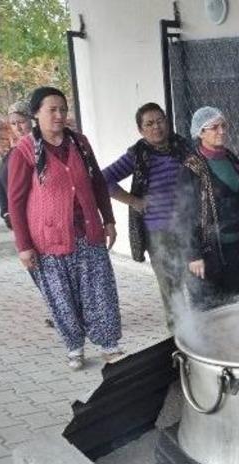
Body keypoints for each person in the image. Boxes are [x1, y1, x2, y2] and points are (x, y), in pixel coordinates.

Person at [7, 87, 123, 370]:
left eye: (63, 109)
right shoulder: (24, 152)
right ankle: (74, 346)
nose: (59, 115)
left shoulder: (80, 143)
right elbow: (16, 201)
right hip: (49, 240)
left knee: (100, 291)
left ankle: (108, 344)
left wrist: (108, 219)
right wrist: (23, 246)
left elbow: (97, 183)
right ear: (36, 114)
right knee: (62, 297)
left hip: (88, 233)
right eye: (52, 110)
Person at [101, 103, 190, 330]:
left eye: (160, 120)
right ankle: (179, 336)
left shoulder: (184, 147)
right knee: (172, 287)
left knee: (197, 282)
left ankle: (199, 332)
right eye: (149, 124)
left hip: (189, 226)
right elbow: (103, 180)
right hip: (159, 232)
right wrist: (135, 201)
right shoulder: (138, 155)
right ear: (141, 130)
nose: (156, 127)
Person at [177, 107, 239, 310]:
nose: (222, 131)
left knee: (235, 303)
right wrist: (193, 255)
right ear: (201, 133)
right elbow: (184, 215)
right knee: (208, 308)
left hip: (234, 246)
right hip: (207, 251)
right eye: (214, 127)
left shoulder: (230, 158)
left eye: (223, 126)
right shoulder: (192, 167)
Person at [0, 101, 33, 229]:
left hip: (36, 217)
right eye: (13, 124)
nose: (18, 128)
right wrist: (6, 211)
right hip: (18, 220)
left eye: (22, 122)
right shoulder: (11, 153)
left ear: (32, 120)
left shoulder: (40, 149)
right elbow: (1, 181)